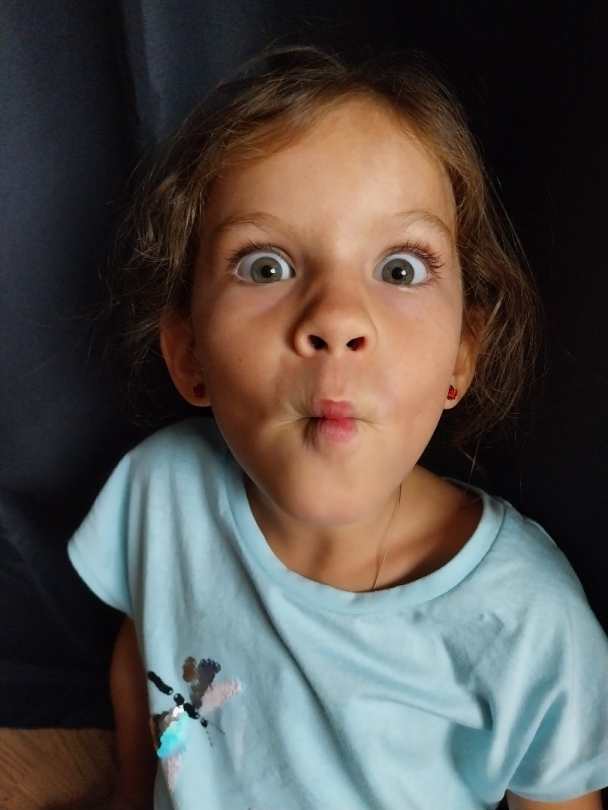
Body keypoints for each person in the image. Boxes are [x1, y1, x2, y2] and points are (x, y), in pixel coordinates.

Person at [68, 47, 608, 810]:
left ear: (461, 358)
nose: (337, 318)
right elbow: (145, 650)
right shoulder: (159, 492)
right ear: (189, 355)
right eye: (265, 266)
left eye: (399, 269)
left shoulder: (529, 624)